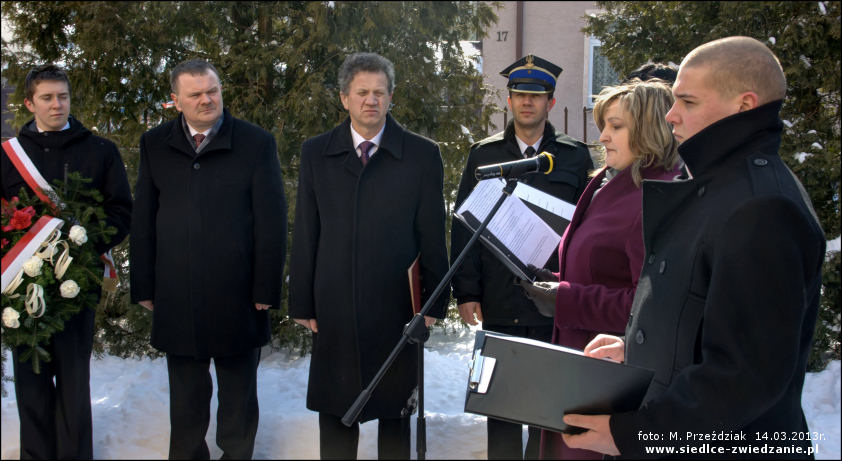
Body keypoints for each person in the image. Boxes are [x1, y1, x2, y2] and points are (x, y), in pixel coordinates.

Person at [561, 36, 825, 459]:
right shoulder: (716, 183)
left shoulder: (762, 205)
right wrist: (644, 346)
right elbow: (703, 309)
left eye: (687, 101)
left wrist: (635, 434)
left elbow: (744, 375)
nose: (671, 114)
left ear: (743, 105)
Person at [288, 52, 449, 460]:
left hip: (397, 308)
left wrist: (433, 304)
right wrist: (302, 302)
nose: (371, 100)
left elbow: (433, 235)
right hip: (335, 306)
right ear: (345, 98)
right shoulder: (316, 153)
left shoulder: (421, 155)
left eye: (379, 92)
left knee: (395, 417)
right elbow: (306, 231)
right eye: (362, 92)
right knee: (336, 413)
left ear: (391, 97)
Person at [130, 59, 287, 459]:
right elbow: (144, 217)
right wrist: (144, 283)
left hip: (238, 293)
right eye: (195, 94)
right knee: (185, 400)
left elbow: (271, 221)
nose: (206, 99)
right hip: (177, 292)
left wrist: (266, 286)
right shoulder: (155, 144)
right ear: (176, 100)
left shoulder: (255, 142)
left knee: (238, 399)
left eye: (212, 90)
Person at [450, 54, 593, 460]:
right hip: (499, 299)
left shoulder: (575, 156)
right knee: (500, 407)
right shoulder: (483, 154)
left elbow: (587, 229)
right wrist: (466, 292)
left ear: (551, 101)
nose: (527, 102)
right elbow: (465, 226)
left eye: (536, 95)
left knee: (548, 412)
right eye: (519, 94)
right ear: (509, 100)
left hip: (554, 302)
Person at [535, 80, 681, 460]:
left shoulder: (654, 196)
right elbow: (601, 266)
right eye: (604, 125)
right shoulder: (608, 179)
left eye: (616, 126)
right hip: (579, 364)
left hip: (611, 382)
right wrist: (557, 283)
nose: (602, 136)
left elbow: (650, 305)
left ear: (649, 130)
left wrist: (568, 298)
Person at [1, 64, 132, 459]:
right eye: (47, 97)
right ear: (30, 103)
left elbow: (121, 211)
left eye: (63, 96)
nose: (56, 104)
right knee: (31, 382)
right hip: (22, 288)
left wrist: (80, 250)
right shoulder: (8, 157)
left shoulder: (100, 151)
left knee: (74, 382)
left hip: (78, 283)